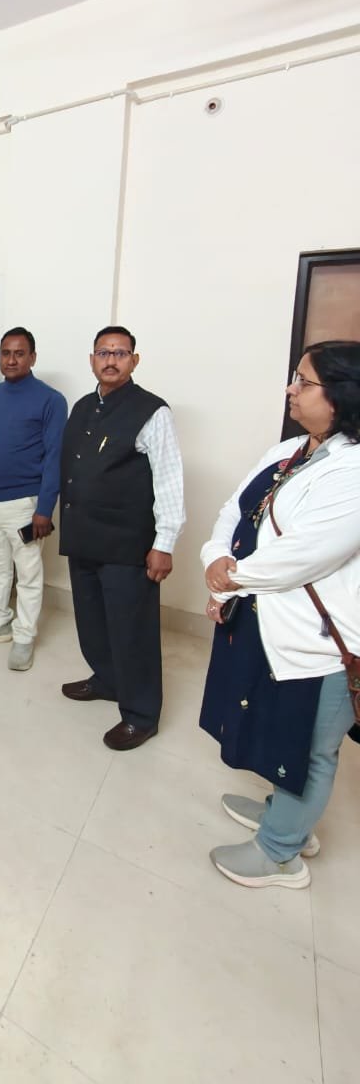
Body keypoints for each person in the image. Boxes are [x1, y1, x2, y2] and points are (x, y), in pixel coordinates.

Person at [200, 340, 360, 889]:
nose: (291, 389)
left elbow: (306, 554)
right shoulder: (290, 450)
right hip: (268, 623)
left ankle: (281, 853)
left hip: (322, 642)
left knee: (309, 749)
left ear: (342, 395)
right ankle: (286, 815)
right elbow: (234, 509)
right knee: (277, 727)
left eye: (304, 381)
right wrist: (214, 558)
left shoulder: (354, 468)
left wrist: (231, 578)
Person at [59, 326, 185, 750]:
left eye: (120, 353)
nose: (111, 360)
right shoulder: (82, 406)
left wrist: (164, 543)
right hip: (83, 537)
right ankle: (107, 680)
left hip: (127, 543)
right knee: (92, 621)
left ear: (135, 360)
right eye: (103, 352)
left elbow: (169, 480)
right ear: (92, 359)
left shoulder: (152, 411)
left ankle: (141, 715)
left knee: (133, 631)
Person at [0, 327, 66, 671]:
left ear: (32, 357)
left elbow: (55, 458)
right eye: (6, 353)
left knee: (28, 573)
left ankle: (24, 635)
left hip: (24, 504)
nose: (11, 360)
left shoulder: (51, 400)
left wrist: (44, 509)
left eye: (19, 353)